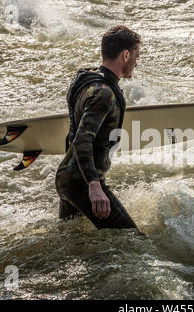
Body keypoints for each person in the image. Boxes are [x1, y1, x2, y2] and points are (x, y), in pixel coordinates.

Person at [55, 26, 141, 230]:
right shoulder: (103, 93)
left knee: (73, 242)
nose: (137, 62)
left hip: (69, 177)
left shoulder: (87, 81)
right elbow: (82, 140)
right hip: (81, 182)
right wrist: (94, 186)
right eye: (136, 55)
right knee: (131, 240)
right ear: (126, 54)